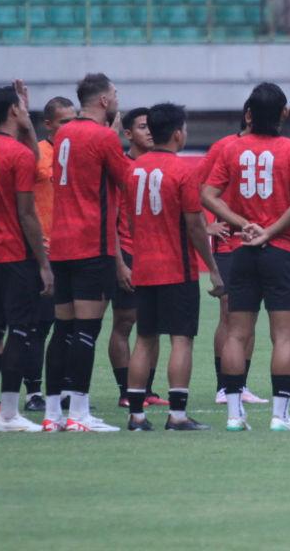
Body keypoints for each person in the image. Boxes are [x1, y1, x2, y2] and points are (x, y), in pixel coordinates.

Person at [204, 83, 290, 432]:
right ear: (285, 113)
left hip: (242, 251)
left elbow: (207, 194)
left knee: (236, 334)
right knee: (283, 337)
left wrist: (242, 224)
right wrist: (270, 230)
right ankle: (280, 416)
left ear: (248, 114)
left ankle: (234, 415)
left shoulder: (231, 149)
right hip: (279, 251)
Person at [123, 103, 224, 431]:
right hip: (176, 268)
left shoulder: (133, 170)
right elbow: (195, 225)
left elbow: (131, 220)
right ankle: (177, 414)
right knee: (181, 339)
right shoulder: (183, 171)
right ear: (178, 133)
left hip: (144, 266)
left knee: (144, 338)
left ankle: (136, 415)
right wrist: (213, 267)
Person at [46, 73, 131, 432]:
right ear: (104, 101)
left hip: (62, 244)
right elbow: (127, 179)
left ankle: (53, 413)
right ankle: (79, 413)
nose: (117, 100)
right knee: (86, 330)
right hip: (91, 244)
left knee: (63, 330)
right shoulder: (103, 137)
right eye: (115, 94)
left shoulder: (64, 133)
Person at [0, 84, 52, 432]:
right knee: (21, 331)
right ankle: (8, 413)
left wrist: (26, 123)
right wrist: (43, 264)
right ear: (13, 111)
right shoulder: (17, 154)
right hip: (16, 252)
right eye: (21, 107)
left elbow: (31, 161)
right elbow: (27, 213)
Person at [202, 117, 264, 406]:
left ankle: (241, 384)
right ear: (251, 115)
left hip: (262, 241)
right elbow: (194, 187)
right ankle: (223, 386)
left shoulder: (273, 146)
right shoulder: (224, 147)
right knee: (229, 312)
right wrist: (207, 226)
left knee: (250, 316)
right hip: (229, 243)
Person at [21, 95, 76, 412]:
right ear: (48, 125)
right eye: (64, 121)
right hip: (42, 252)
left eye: (74, 120)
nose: (70, 127)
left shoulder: (77, 153)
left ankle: (65, 389)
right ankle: (33, 392)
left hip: (73, 251)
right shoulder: (37, 153)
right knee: (40, 325)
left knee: (70, 325)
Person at [109, 107, 160, 409]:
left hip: (156, 255)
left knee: (153, 324)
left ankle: (147, 389)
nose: (149, 131)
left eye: (152, 125)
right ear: (128, 133)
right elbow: (111, 220)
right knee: (125, 323)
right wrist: (119, 263)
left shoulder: (161, 165)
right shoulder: (121, 169)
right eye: (142, 126)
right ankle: (125, 390)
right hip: (128, 252)